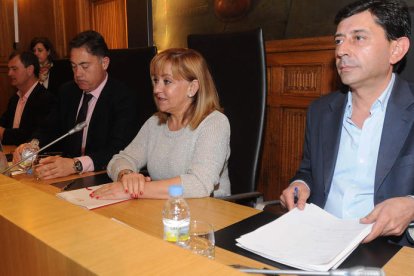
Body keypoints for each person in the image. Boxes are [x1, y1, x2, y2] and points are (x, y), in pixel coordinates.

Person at [280, 0, 414, 247]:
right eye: (339, 40)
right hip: (317, 241)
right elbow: (308, 170)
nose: (341, 51)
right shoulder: (320, 111)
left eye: (358, 38)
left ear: (396, 50)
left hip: (388, 250)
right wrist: (299, 184)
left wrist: (412, 206)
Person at [91, 48, 231, 200]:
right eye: (156, 80)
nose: (157, 89)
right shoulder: (155, 123)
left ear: (193, 87)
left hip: (209, 215)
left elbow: (199, 184)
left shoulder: (215, 123)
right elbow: (120, 160)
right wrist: (127, 176)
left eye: (167, 81)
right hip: (164, 209)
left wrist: (135, 190)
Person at [14, 30, 140, 179]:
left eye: (84, 66)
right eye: (73, 66)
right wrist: (32, 145)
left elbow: (118, 149)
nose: (78, 74)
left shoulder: (123, 97)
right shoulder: (68, 91)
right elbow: (48, 127)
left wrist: (76, 164)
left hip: (103, 176)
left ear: (104, 63)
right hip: (66, 177)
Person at [0, 51, 55, 145]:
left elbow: (33, 136)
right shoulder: (14, 99)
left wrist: (2, 133)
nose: (9, 73)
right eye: (9, 69)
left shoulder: (46, 99)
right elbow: (3, 123)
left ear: (30, 70)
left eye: (14, 69)